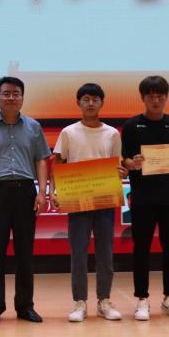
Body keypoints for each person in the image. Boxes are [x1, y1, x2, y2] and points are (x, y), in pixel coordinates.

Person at [0, 76, 50, 325]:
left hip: (25, 191)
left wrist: (42, 192)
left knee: (25, 253)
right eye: (6, 93)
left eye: (16, 93)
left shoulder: (33, 126)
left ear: (22, 98)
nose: (11, 98)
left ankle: (25, 306)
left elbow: (41, 159)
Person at [120, 76, 169, 321]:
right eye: (151, 96)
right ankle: (142, 299)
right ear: (143, 98)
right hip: (142, 197)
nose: (156, 100)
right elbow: (124, 159)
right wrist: (132, 163)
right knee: (141, 248)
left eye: (160, 96)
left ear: (166, 97)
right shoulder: (131, 126)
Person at [52, 83, 124, 322]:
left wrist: (121, 173)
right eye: (86, 99)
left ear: (102, 103)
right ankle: (79, 302)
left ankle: (104, 300)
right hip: (77, 199)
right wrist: (54, 190)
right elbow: (59, 161)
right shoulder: (68, 132)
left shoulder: (112, 134)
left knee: (105, 253)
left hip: (104, 199)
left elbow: (117, 165)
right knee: (78, 253)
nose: (90, 103)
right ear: (78, 103)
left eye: (95, 99)